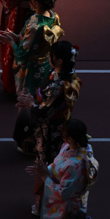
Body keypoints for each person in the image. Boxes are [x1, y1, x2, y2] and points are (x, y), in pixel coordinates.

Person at [32, 119, 99, 219]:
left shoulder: (76, 165)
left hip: (65, 209)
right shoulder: (74, 148)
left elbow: (64, 193)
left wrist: (45, 178)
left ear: (70, 138)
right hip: (64, 204)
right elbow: (55, 167)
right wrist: (46, 171)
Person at [17, 41, 83, 172]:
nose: (48, 57)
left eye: (51, 55)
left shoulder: (57, 86)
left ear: (59, 61)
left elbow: (43, 113)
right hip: (62, 121)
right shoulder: (68, 75)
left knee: (49, 163)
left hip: (52, 130)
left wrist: (31, 104)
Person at [0, 0, 64, 100]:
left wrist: (11, 43)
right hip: (46, 63)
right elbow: (32, 39)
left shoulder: (35, 26)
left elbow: (23, 54)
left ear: (36, 3)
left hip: (32, 69)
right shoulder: (53, 16)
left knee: (29, 98)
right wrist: (16, 36)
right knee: (42, 92)